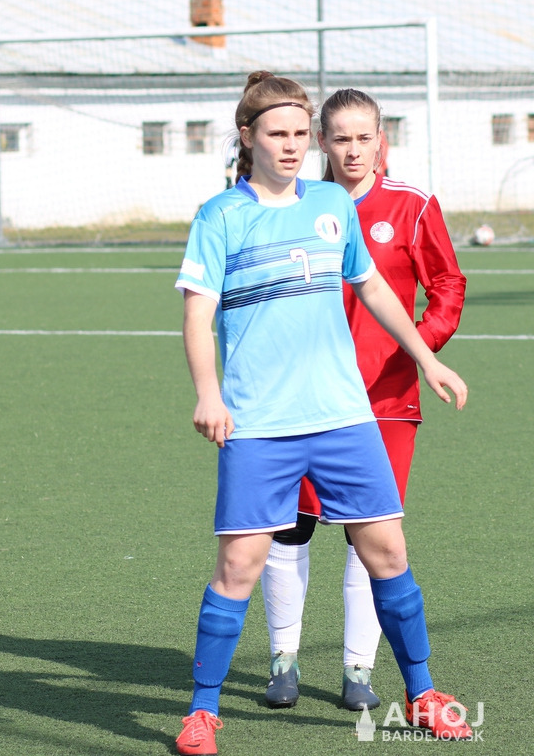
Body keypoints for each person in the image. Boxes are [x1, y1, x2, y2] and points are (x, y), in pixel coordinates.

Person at [173, 71, 473, 755]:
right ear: (247, 136)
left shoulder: (332, 203)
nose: (291, 145)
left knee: (388, 551)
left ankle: (422, 694)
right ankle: (203, 711)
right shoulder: (221, 215)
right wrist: (208, 392)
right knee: (240, 564)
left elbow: (373, 287)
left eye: (300, 134)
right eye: (277, 133)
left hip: (344, 417)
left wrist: (426, 359)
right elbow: (197, 315)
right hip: (260, 424)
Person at [259, 89, 466, 712]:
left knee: (368, 535)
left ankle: (358, 670)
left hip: (387, 399)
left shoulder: (412, 205)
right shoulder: (297, 203)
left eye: (364, 138)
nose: (353, 151)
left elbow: (447, 284)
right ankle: (283, 662)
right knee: (291, 526)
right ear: (322, 142)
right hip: (304, 398)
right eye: (341, 139)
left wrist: (417, 348)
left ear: (382, 141)